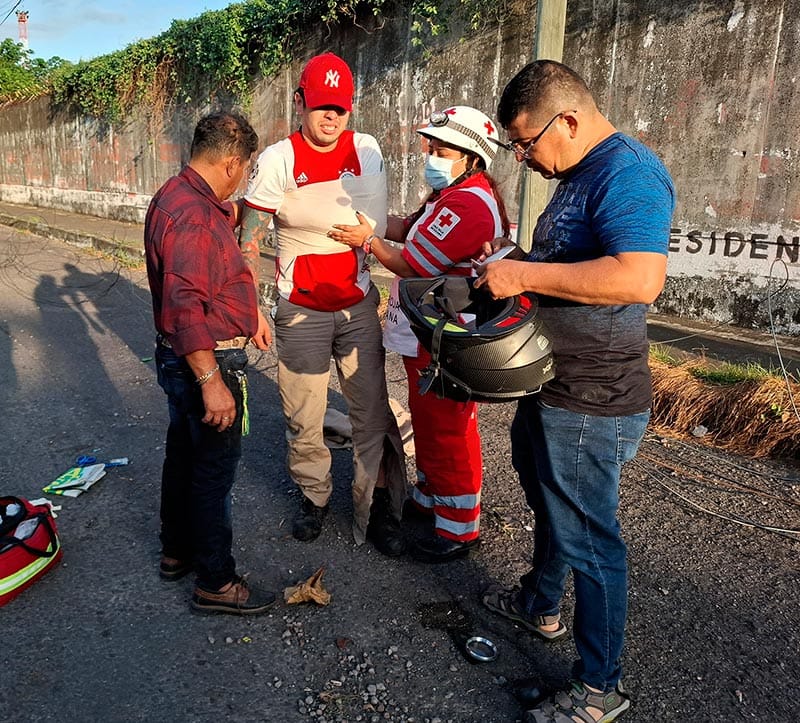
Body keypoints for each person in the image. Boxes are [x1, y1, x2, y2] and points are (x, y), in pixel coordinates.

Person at [474, 60, 675, 722]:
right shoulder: (575, 173)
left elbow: (639, 278)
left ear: (569, 119)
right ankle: (542, 603)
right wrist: (512, 272)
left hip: (594, 396)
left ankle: (600, 692)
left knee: (591, 535)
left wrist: (523, 274)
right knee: (550, 501)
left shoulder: (629, 173)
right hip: (553, 383)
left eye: (527, 143)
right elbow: (563, 267)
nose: (524, 157)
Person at [238, 52, 407, 556]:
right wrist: (251, 308)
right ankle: (313, 497)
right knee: (304, 415)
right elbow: (249, 240)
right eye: (319, 107)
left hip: (358, 308)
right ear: (299, 104)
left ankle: (374, 506)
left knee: (371, 411)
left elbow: (380, 222)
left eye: (340, 108)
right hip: (301, 311)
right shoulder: (278, 160)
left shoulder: (367, 151)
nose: (330, 117)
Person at [328, 106, 510, 563]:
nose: (429, 153)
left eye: (440, 147)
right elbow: (408, 229)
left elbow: (413, 262)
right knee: (427, 420)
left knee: (448, 428)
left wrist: (366, 243)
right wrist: (368, 219)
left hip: (447, 336)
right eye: (430, 145)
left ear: (471, 156)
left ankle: (459, 528)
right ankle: (432, 498)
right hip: (430, 332)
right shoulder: (449, 196)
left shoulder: (467, 204)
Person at [144, 111, 276, 615]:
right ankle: (216, 581)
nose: (242, 178)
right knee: (212, 472)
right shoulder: (196, 217)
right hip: (204, 361)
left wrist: (249, 310)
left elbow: (212, 279)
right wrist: (211, 381)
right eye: (243, 169)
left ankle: (176, 552)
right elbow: (184, 304)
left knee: (184, 456)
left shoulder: (177, 197)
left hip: (181, 357)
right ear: (230, 162)